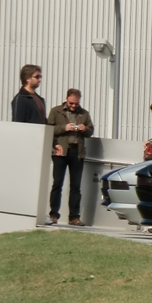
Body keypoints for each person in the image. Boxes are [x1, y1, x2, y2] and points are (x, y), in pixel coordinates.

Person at [46, 88, 94, 226]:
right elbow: (49, 129)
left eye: (76, 104)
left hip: (77, 152)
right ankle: (53, 214)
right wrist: (64, 128)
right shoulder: (56, 111)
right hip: (60, 152)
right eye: (71, 103)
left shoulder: (84, 113)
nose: (73, 106)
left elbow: (90, 131)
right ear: (66, 99)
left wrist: (85, 129)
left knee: (75, 186)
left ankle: (74, 217)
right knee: (57, 184)